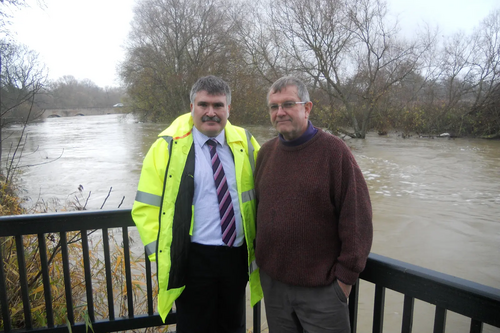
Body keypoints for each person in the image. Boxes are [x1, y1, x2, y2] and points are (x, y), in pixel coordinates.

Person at [132, 75, 262, 333]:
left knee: (233, 326)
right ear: (191, 107)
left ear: (229, 109)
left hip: (236, 257)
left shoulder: (245, 142)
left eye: (218, 105)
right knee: (193, 328)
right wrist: (164, 252)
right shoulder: (166, 147)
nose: (210, 112)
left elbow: (264, 195)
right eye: (203, 105)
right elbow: (145, 208)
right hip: (192, 259)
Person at [254, 76, 373, 332]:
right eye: (274, 107)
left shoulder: (334, 152)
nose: (280, 112)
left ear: (307, 108)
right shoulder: (265, 153)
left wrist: (344, 280)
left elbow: (357, 218)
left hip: (323, 291)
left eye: (288, 104)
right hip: (274, 288)